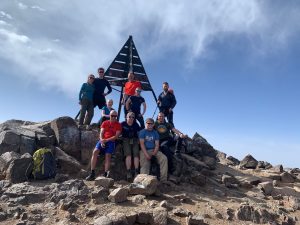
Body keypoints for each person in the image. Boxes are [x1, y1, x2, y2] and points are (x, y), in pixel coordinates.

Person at [86, 110, 122, 180]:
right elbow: (101, 132)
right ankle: (92, 173)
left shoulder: (118, 125)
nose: (114, 117)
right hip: (103, 140)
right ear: (110, 116)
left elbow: (116, 137)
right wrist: (102, 140)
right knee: (95, 151)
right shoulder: (105, 123)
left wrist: (106, 140)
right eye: (112, 116)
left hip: (111, 141)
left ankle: (105, 174)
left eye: (115, 116)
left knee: (108, 155)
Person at [139, 118, 168, 182]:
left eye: (151, 123)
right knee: (145, 164)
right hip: (144, 151)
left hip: (154, 150)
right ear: (145, 124)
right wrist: (147, 155)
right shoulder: (142, 132)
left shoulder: (155, 133)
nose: (149, 125)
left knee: (164, 158)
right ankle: (142, 181)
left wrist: (153, 154)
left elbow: (157, 145)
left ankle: (163, 180)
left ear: (153, 124)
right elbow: (142, 144)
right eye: (148, 123)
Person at [121, 112, 141, 181]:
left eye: (133, 117)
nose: (131, 118)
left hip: (135, 140)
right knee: (128, 154)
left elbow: (139, 133)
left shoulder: (136, 124)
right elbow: (118, 132)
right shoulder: (123, 124)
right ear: (126, 117)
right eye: (129, 117)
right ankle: (128, 172)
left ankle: (136, 171)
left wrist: (139, 140)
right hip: (125, 140)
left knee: (136, 154)